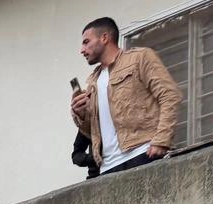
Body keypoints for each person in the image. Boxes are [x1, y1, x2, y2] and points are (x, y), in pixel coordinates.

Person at [71, 17, 182, 176]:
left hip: (144, 153)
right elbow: (92, 131)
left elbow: (170, 95)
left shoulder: (140, 58)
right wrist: (81, 114)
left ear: (104, 38)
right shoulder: (93, 82)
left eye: (86, 42)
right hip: (107, 167)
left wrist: (162, 139)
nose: (82, 50)